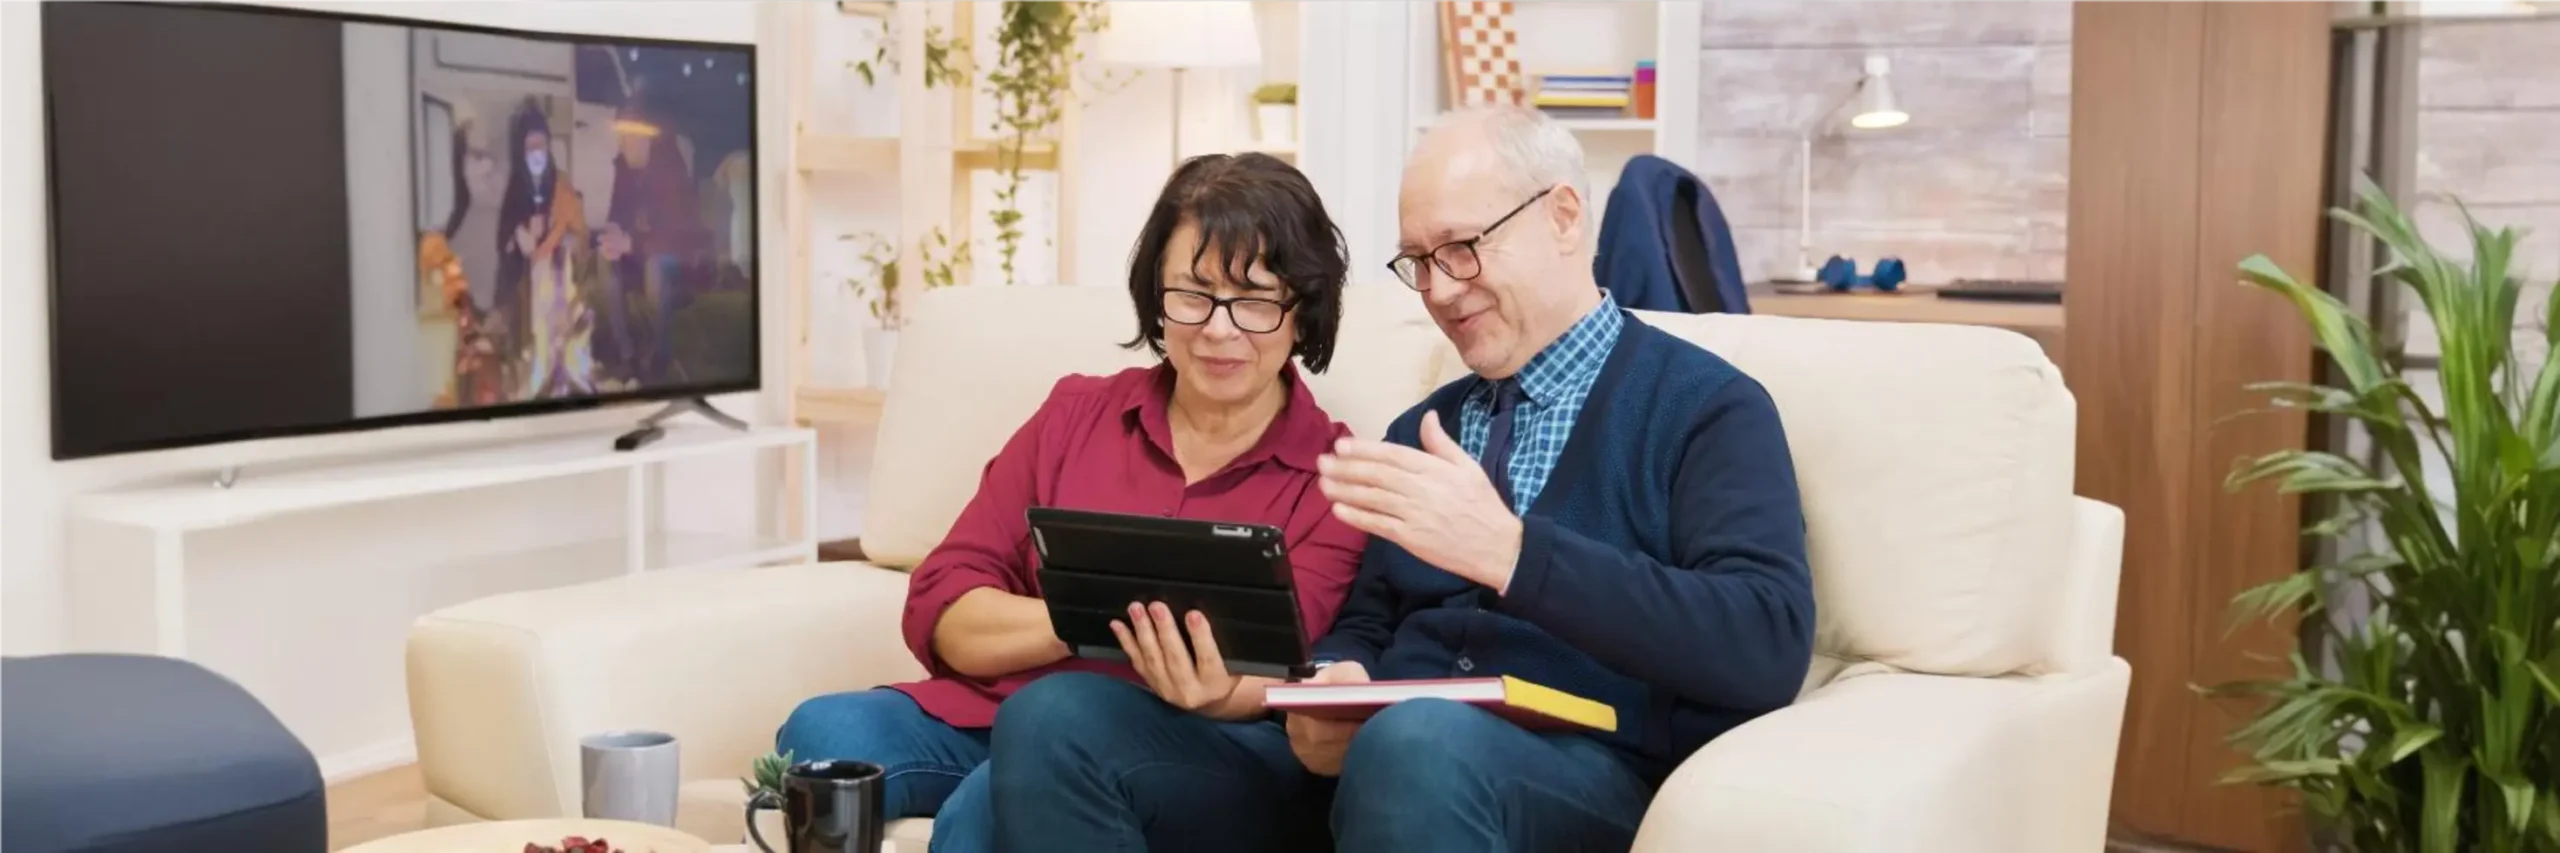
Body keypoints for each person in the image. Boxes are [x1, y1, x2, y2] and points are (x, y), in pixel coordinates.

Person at [987, 105, 1816, 853]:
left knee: (1415, 740)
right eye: (1418, 261)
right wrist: (1337, 686)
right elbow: (1367, 620)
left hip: (1582, 776)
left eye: (1460, 248)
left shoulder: (1708, 408)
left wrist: (1514, 553)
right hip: (1370, 767)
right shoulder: (1426, 424)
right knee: (1056, 718)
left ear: (1563, 217)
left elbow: (1767, 642)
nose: (1441, 291)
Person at [770, 152, 1367, 853]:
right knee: (821, 734)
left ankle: (1023, 780)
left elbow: (1275, 670)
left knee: (994, 798)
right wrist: (1084, 611)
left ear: (1303, 311)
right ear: (1156, 294)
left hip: (1202, 745)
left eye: (1257, 300)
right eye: (1193, 293)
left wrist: (1215, 688)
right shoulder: (1075, 414)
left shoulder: (1334, 477)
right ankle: (1029, 776)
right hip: (1005, 712)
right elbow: (941, 600)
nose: (1218, 328)